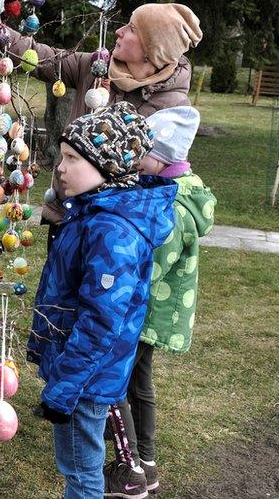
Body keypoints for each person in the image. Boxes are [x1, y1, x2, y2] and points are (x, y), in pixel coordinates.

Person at [29, 101, 178, 499]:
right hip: (78, 371)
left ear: (108, 167)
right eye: (61, 156)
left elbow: (100, 322)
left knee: (81, 473)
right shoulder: (90, 213)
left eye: (72, 158)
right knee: (77, 466)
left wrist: (64, 388)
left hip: (85, 380)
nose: (60, 167)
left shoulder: (113, 231)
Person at [0, 2, 202, 228]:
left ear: (152, 51)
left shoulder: (172, 107)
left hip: (115, 226)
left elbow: (160, 180)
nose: (118, 32)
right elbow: (40, 58)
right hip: (66, 213)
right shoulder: (96, 67)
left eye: (131, 29)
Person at [103, 106, 217, 497]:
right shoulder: (172, 190)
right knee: (138, 382)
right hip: (151, 308)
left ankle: (130, 465)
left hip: (147, 309)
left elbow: (149, 266)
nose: (134, 159)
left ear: (161, 158)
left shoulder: (175, 206)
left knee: (120, 380)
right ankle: (146, 464)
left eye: (140, 153)